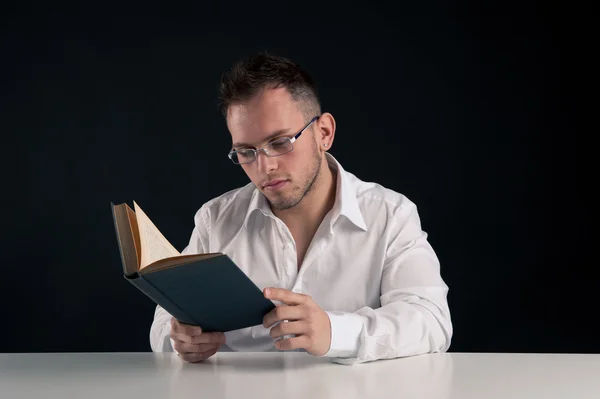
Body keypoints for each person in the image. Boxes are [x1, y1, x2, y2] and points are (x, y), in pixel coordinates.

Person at [150, 51, 452, 365]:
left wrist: (335, 332)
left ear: (324, 133)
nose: (265, 166)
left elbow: (431, 320)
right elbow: (164, 324)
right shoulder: (215, 220)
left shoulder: (390, 216)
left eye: (280, 142)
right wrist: (179, 341)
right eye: (245, 152)